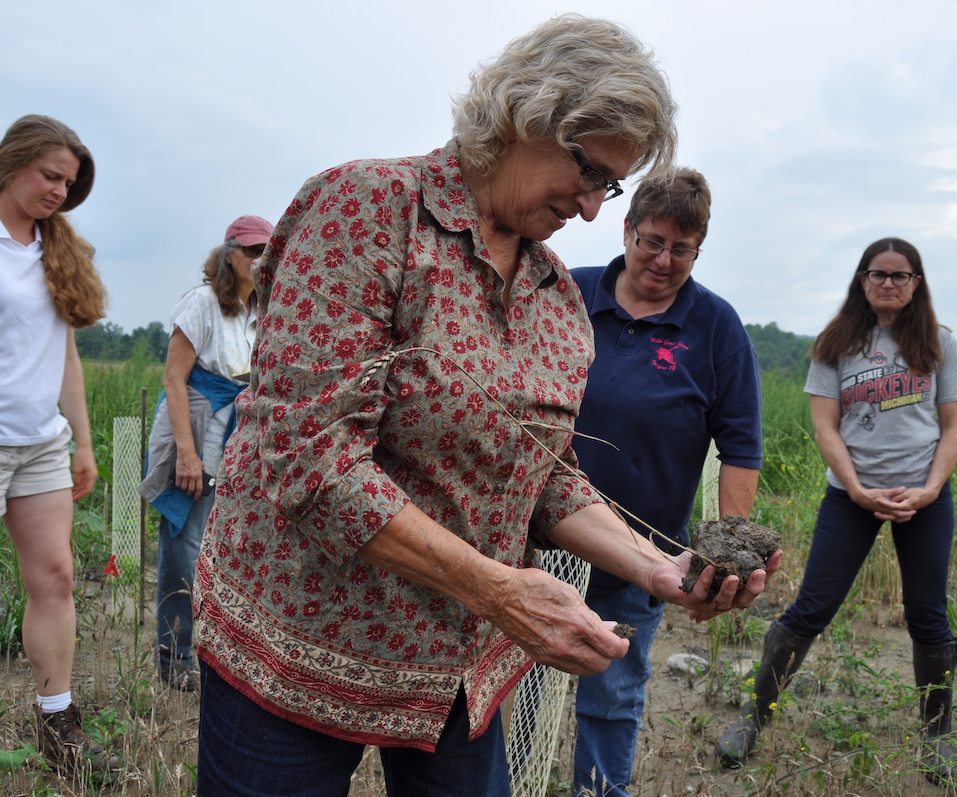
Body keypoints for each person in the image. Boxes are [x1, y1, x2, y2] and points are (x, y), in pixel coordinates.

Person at [191, 15, 776, 797]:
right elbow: (314, 457)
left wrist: (658, 568)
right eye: (591, 172)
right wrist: (499, 589)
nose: (597, 208)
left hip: (457, 670)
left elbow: (544, 472)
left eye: (612, 185)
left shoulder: (554, 293)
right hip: (298, 645)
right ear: (525, 115)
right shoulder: (365, 211)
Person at [714, 237, 957, 783]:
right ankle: (754, 718)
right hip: (850, 498)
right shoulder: (836, 343)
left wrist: (928, 490)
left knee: (928, 615)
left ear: (916, 284)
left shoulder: (940, 343)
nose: (888, 283)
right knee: (811, 608)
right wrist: (854, 487)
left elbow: (953, 427)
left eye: (900, 276)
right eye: (878, 274)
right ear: (862, 279)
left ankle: (937, 733)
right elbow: (826, 426)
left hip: (922, 499)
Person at [568, 168, 768, 796]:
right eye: (652, 241)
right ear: (626, 229)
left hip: (642, 551)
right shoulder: (567, 295)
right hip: (539, 536)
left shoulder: (715, 326)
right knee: (520, 678)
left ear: (699, 248)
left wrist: (728, 552)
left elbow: (740, 447)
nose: (663, 259)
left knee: (611, 691)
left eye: (681, 249)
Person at [0, 114, 120, 776]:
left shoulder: (57, 248)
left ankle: (58, 726)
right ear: (12, 163)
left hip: (40, 445)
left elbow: (67, 356)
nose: (58, 191)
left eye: (69, 183)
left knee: (54, 577)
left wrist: (82, 441)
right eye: (50, 175)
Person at [137, 215, 270, 691]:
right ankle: (174, 659)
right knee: (184, 548)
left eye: (266, 252)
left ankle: (217, 656)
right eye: (252, 252)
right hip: (195, 430)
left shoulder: (265, 311)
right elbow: (175, 378)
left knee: (223, 550)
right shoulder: (203, 303)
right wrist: (187, 456)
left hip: (236, 437)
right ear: (228, 255)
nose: (260, 260)